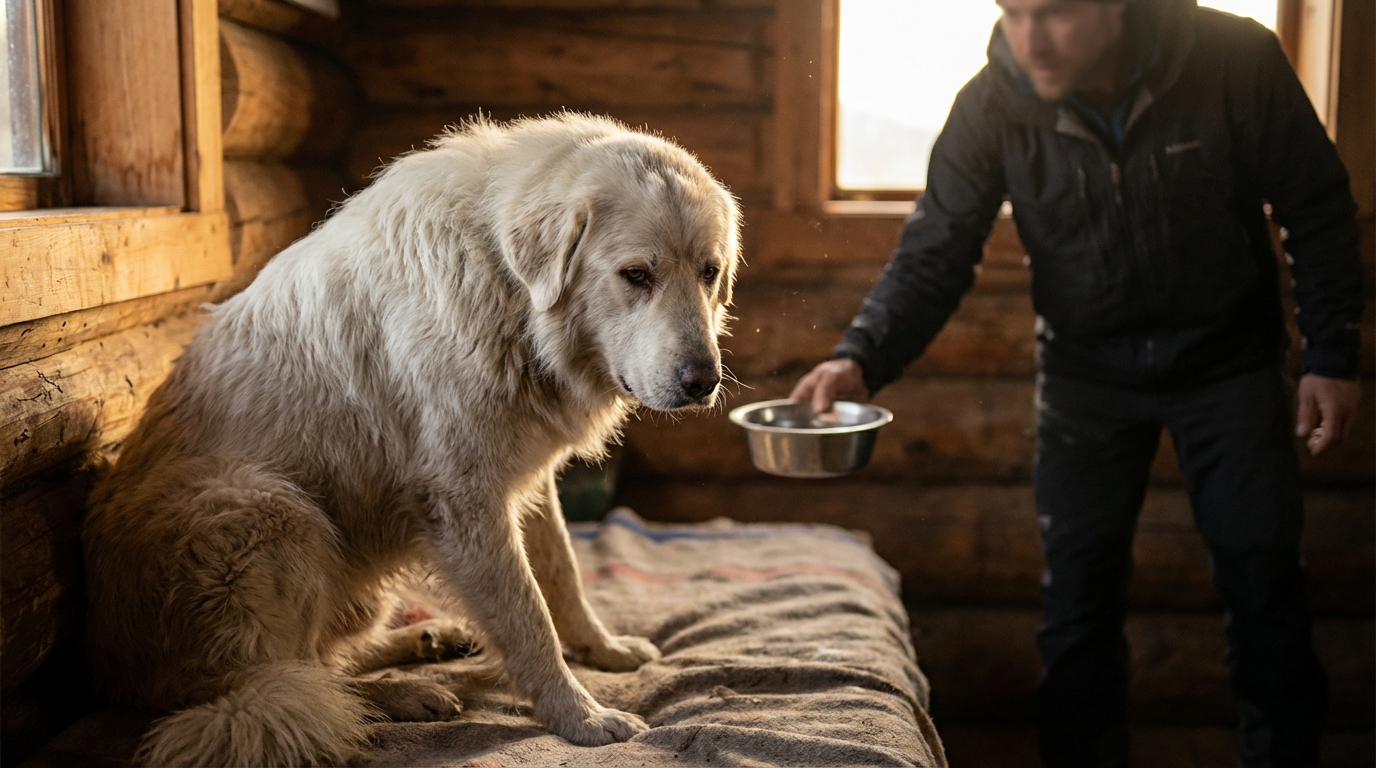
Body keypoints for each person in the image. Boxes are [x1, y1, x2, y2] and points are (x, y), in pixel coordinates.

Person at [789, 0, 1363, 766]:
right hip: (1086, 376)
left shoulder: (1235, 60)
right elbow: (936, 250)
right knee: (1076, 618)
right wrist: (859, 356)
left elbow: (1317, 205)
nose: (1031, 40)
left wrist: (1330, 355)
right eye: (1013, 13)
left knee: (1267, 601)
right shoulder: (991, 103)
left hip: (1228, 365)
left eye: (1054, 14)